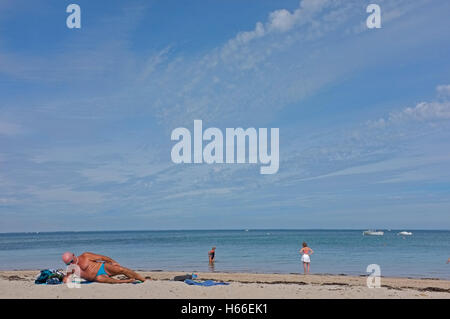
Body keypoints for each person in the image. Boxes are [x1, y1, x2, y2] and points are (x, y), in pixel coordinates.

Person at [61, 251, 147, 284]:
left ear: (73, 255)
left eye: (71, 261)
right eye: (68, 263)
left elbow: (102, 258)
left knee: (121, 269)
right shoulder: (71, 267)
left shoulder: (85, 256)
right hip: (96, 277)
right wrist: (65, 279)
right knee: (102, 279)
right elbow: (67, 277)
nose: (71, 263)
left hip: (102, 268)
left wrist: (113, 262)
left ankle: (143, 280)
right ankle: (127, 281)